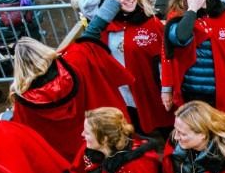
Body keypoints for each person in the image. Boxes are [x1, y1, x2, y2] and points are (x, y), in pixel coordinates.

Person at [9, 22, 133, 164]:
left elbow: (26, 133)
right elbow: (90, 45)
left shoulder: (24, 101)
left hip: (69, 158)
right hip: (99, 137)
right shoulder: (77, 59)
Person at [88, 0, 172, 135]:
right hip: (123, 93)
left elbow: (166, 58)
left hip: (151, 90)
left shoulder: (151, 22)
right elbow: (87, 9)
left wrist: (167, 88)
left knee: (162, 130)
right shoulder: (106, 25)